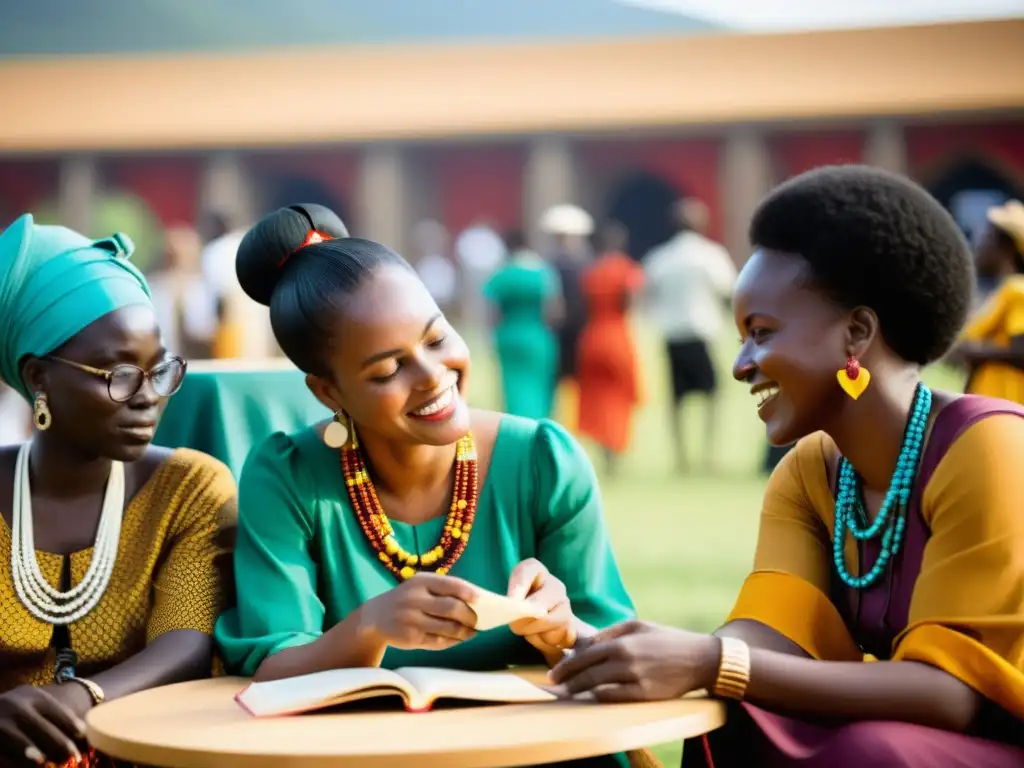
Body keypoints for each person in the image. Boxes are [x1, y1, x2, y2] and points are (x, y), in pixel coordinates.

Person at [547, 167, 1024, 767]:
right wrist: (634, 651)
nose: (741, 365)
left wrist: (711, 661)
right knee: (737, 714)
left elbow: (953, 694)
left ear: (857, 332)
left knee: (868, 750)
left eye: (762, 334)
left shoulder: (990, 449)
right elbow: (770, 634)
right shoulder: (810, 473)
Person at [213, 204, 644, 768]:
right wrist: (370, 625)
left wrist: (562, 629)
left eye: (437, 338)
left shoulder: (543, 460)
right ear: (328, 393)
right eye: (388, 371)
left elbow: (621, 652)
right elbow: (272, 666)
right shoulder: (287, 474)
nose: (433, 375)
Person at [0, 214, 237, 767]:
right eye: (117, 373)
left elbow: (187, 642)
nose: (148, 396)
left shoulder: (189, 488)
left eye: (158, 370)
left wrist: (82, 696)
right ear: (38, 378)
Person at [642, 199, 736, 473]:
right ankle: (708, 455)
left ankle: (681, 457)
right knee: (713, 395)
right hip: (701, 331)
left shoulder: (660, 256)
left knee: (676, 399)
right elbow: (727, 289)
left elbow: (649, 294)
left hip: (672, 334)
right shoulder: (710, 255)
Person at [576, 221, 645, 475]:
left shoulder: (591, 272)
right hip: (617, 335)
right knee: (619, 397)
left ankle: (605, 452)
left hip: (592, 336)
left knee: (597, 398)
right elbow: (629, 303)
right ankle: (615, 451)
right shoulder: (627, 270)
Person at [483, 230, 561, 420]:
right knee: (538, 389)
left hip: (509, 335)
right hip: (537, 335)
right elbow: (553, 311)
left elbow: (492, 314)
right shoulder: (543, 273)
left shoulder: (502, 274)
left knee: (512, 388)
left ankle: (516, 428)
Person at [955, 199, 1024, 401]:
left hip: (1008, 409)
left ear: (1006, 247)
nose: (979, 244)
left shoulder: (1018, 290)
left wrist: (975, 350)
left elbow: (1021, 352)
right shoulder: (1003, 291)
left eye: (987, 237)